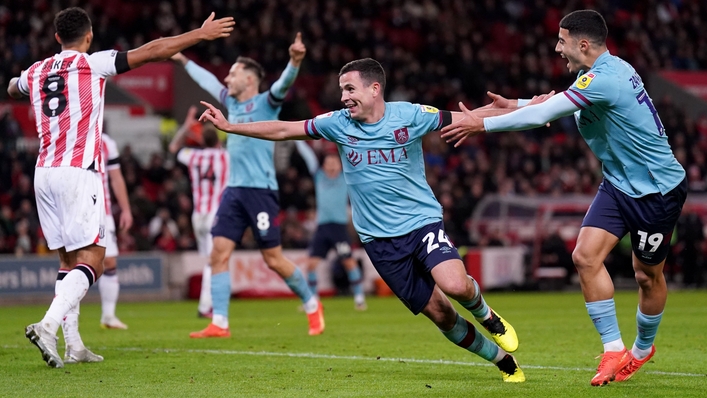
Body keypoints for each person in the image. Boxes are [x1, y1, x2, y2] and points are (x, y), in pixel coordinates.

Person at [198, 58, 526, 382]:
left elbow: (468, 118)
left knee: (454, 284)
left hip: (421, 223)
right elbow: (285, 129)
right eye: (342, 90)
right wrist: (230, 126)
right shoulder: (337, 123)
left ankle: (488, 316)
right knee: (440, 314)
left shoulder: (410, 115)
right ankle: (502, 361)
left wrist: (525, 108)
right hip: (379, 241)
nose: (343, 97)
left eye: (350, 88)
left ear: (374, 89)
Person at [441, 10, 687, 386]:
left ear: (582, 44)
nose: (557, 48)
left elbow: (547, 114)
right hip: (619, 184)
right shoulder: (599, 74)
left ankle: (641, 350)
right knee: (584, 257)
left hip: (657, 190)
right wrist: (517, 104)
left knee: (646, 276)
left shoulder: (607, 79)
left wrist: (484, 123)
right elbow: (554, 104)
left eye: (562, 40)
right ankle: (612, 350)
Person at [7, 7, 234, 368]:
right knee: (94, 261)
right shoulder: (92, 63)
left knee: (68, 262)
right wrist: (198, 35)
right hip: (77, 171)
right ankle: (48, 326)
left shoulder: (35, 70)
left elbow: (11, 87)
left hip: (43, 173)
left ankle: (74, 344)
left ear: (55, 38)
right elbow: (154, 49)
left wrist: (25, 87)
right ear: (89, 36)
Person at [172, 32, 326, 338]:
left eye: (233, 73)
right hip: (234, 191)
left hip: (261, 192)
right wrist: (180, 57)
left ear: (251, 79)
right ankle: (220, 323)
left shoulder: (266, 103)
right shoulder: (230, 101)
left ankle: (311, 303)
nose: (227, 78)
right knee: (218, 253)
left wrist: (294, 61)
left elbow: (283, 84)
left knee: (273, 259)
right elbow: (206, 79)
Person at [169, 106, 229, 318]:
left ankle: (207, 305)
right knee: (215, 260)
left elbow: (174, 147)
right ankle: (205, 307)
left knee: (210, 260)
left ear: (203, 141)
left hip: (198, 216)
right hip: (216, 214)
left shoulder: (193, 156)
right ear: (219, 140)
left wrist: (186, 127)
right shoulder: (226, 158)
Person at [294, 141, 366, 310]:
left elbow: (354, 159)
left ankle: (359, 297)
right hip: (322, 228)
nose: (332, 166)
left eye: (335, 163)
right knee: (311, 264)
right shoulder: (319, 176)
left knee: (349, 263)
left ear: (340, 166)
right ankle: (312, 301)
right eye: (328, 163)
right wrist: (297, 141)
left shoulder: (345, 178)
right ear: (324, 166)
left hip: (339, 227)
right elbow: (309, 157)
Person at [97, 133, 133, 329]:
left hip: (104, 211)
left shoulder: (107, 142)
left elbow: (116, 178)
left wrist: (126, 209)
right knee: (73, 263)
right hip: (77, 211)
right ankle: (67, 324)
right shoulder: (70, 134)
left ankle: (108, 316)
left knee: (109, 261)